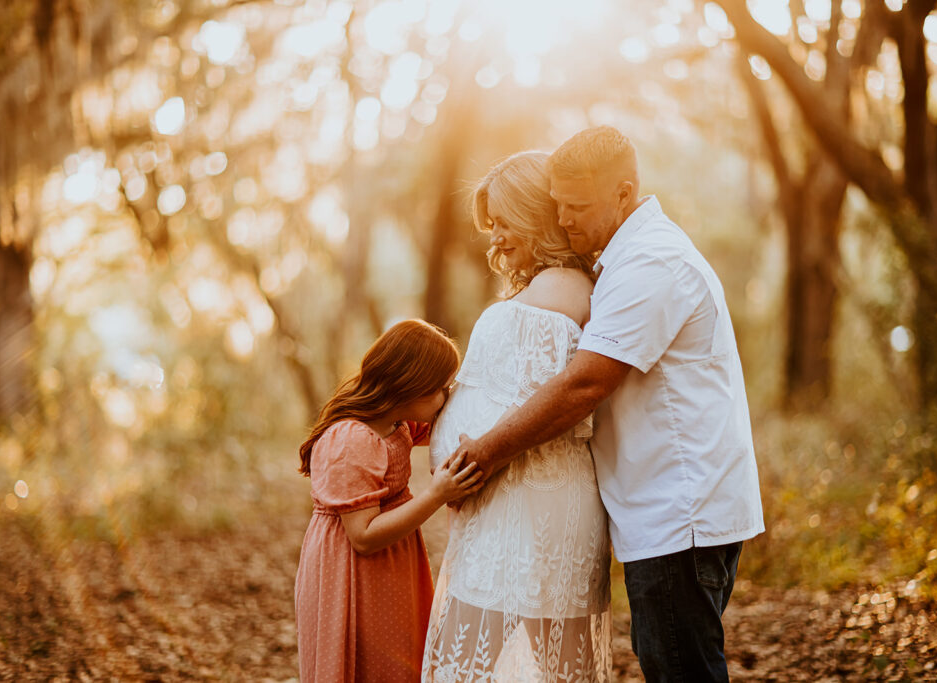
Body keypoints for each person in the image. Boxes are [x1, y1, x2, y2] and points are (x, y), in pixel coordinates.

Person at [453, 127, 766, 682]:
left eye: (577, 207)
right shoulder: (623, 261)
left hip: (679, 510)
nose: (566, 220)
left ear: (624, 193)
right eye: (559, 207)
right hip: (665, 511)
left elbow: (585, 384)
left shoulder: (650, 264)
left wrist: (486, 452)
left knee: (681, 669)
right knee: (672, 661)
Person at [422, 151, 613, 681]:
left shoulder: (557, 292)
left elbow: (544, 401)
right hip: (526, 496)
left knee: (470, 665)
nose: (496, 238)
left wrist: (474, 458)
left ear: (534, 215)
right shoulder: (564, 289)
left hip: (526, 497)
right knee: (553, 665)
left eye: (504, 222)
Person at [294, 319, 484, 683]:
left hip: (393, 560)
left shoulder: (398, 423)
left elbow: (453, 419)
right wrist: (437, 494)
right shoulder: (352, 439)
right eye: (440, 388)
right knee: (366, 663)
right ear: (410, 386)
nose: (446, 396)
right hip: (352, 571)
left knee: (398, 662)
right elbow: (362, 537)